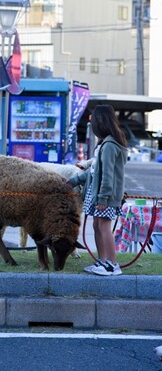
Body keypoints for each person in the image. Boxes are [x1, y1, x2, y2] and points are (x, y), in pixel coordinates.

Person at [67, 105, 127, 276]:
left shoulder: (109, 146)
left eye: (93, 120)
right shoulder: (105, 144)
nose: (91, 125)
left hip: (105, 196)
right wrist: (74, 181)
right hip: (99, 195)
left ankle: (112, 265)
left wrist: (103, 198)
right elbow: (94, 172)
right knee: (97, 225)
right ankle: (102, 261)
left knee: (104, 226)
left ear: (100, 122)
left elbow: (108, 176)